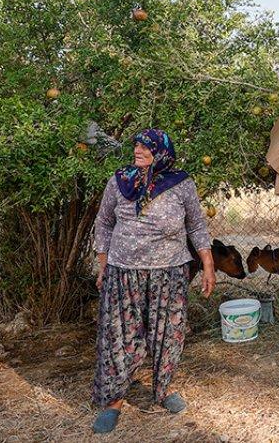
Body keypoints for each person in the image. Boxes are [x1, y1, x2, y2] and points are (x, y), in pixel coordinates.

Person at [90, 128, 215, 434]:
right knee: (119, 336)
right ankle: (114, 400)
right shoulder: (119, 182)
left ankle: (163, 389)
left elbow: (196, 225)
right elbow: (104, 224)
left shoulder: (181, 184)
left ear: (161, 152)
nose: (137, 151)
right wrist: (103, 265)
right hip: (123, 271)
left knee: (168, 334)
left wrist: (209, 264)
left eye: (145, 147)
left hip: (169, 272)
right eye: (135, 146)